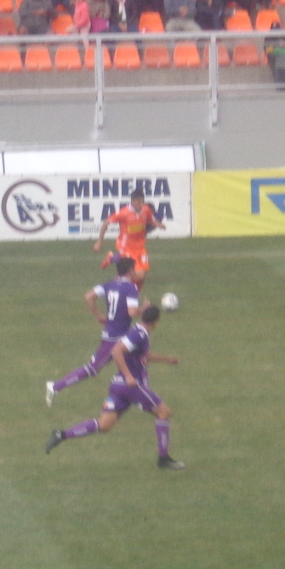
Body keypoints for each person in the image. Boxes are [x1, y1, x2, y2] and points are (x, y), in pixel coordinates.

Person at [44, 304, 184, 470]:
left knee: (105, 425)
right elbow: (116, 351)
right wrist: (129, 376)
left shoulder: (139, 331)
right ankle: (163, 458)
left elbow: (142, 355)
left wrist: (167, 359)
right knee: (164, 412)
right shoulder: (139, 334)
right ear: (156, 322)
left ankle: (62, 435)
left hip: (117, 387)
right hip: (130, 387)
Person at [45, 256, 142, 406]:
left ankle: (139, 395)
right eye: (134, 269)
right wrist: (145, 309)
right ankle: (55, 386)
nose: (136, 272)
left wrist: (98, 316)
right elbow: (132, 312)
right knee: (93, 368)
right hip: (115, 337)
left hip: (117, 333)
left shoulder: (110, 284)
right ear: (130, 271)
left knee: (138, 358)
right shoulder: (131, 288)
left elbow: (89, 296)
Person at [93, 187, 164, 287]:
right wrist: (99, 242)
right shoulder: (124, 213)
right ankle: (118, 280)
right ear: (133, 201)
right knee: (138, 274)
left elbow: (150, 220)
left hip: (140, 247)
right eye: (138, 202)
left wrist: (159, 225)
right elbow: (105, 223)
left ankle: (114, 259)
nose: (141, 204)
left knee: (141, 276)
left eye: (142, 201)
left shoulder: (146, 210)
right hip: (126, 247)